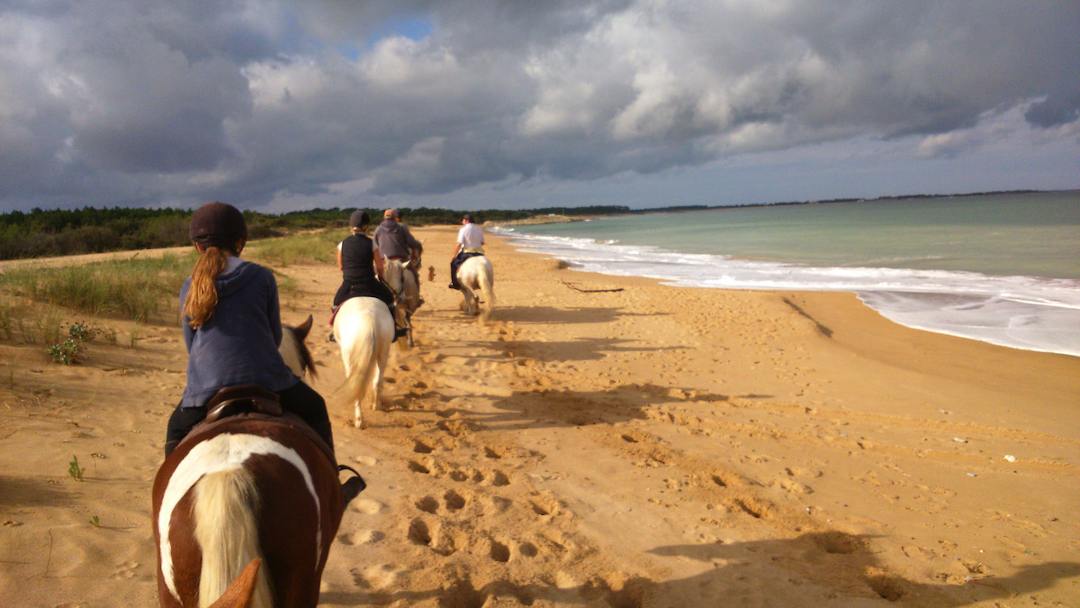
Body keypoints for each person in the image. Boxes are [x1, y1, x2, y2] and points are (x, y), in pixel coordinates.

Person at [164, 202, 334, 456]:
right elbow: (275, 336)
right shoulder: (262, 276)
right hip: (267, 380)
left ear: (197, 246)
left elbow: (191, 345)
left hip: (206, 387)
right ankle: (336, 482)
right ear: (240, 242)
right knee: (315, 407)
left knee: (175, 430)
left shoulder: (189, 285)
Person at [330, 210, 406, 342]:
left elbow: (341, 267)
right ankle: (394, 329)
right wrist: (380, 276)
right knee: (389, 300)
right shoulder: (371, 243)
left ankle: (333, 331)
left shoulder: (342, 244)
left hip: (349, 283)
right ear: (366, 227)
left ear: (351, 226)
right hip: (369, 283)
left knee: (336, 303)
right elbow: (380, 266)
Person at [372, 207, 424, 303]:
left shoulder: (378, 229)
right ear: (395, 217)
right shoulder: (401, 228)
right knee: (414, 275)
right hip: (401, 260)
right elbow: (411, 242)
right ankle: (417, 299)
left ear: (384, 217)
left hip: (384, 262)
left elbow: (374, 245)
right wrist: (417, 245)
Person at [449, 213, 484, 290]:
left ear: (466, 220)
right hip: (480, 253)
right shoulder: (479, 228)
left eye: (463, 220)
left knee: (453, 264)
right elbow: (482, 242)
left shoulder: (463, 229)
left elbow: (459, 244)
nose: (462, 222)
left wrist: (454, 256)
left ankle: (454, 283)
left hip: (467, 253)